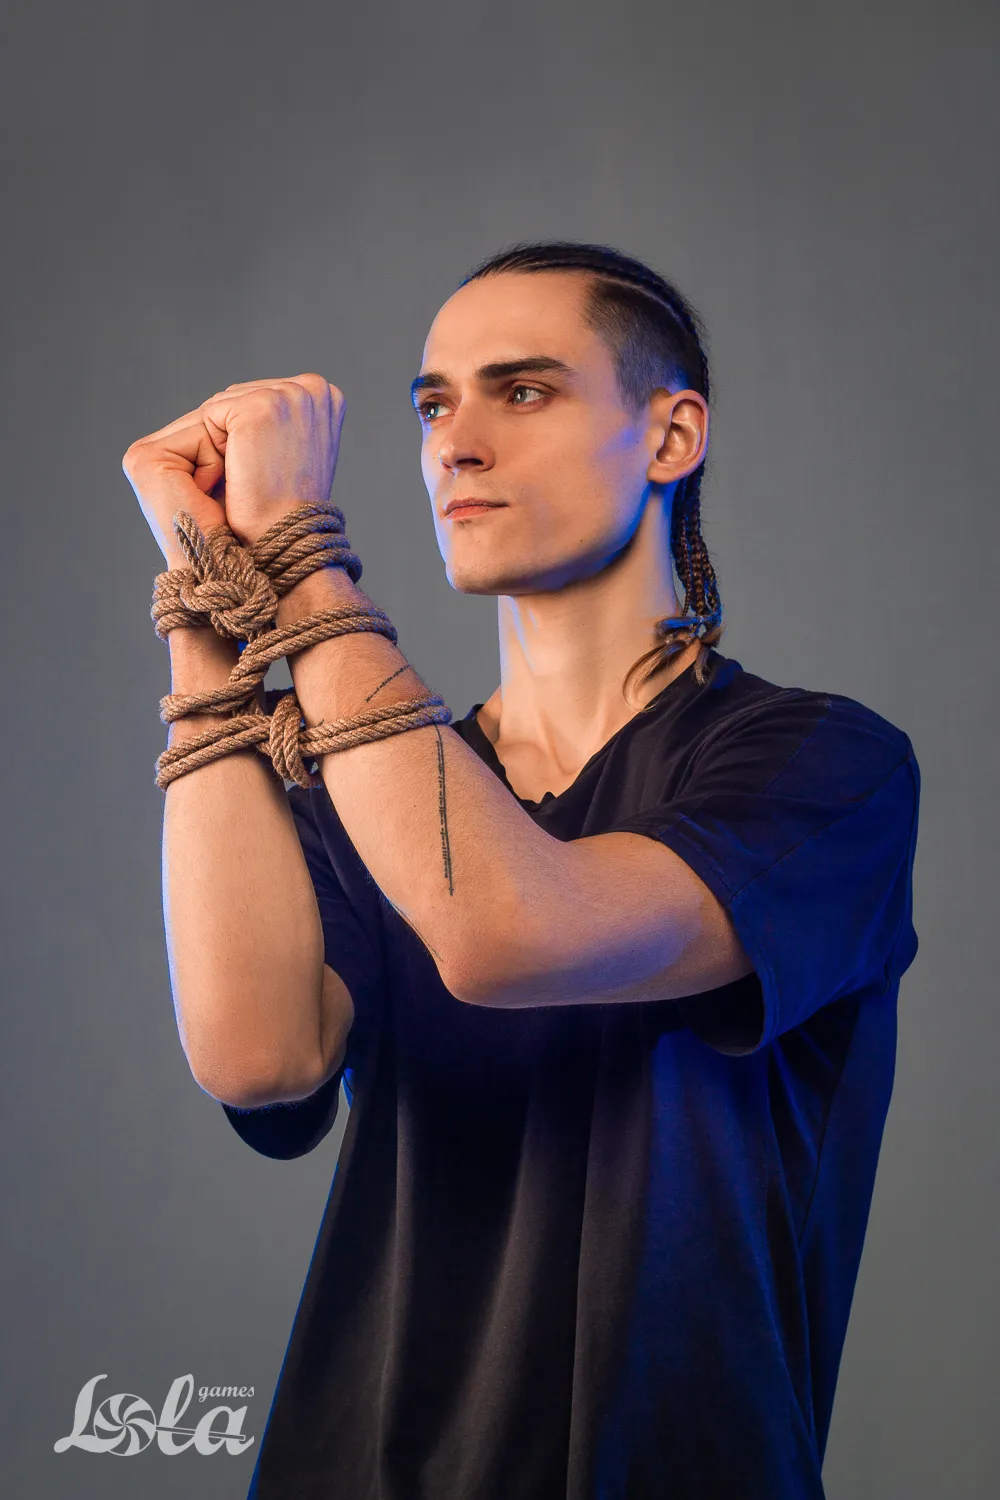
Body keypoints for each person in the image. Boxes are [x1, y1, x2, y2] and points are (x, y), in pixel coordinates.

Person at [123, 240, 920, 1500]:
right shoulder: (363, 791)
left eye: (525, 390)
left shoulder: (824, 764)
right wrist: (205, 608)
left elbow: (504, 930)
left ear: (670, 436)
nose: (457, 443)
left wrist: (300, 558)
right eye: (433, 405)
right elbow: (256, 1057)